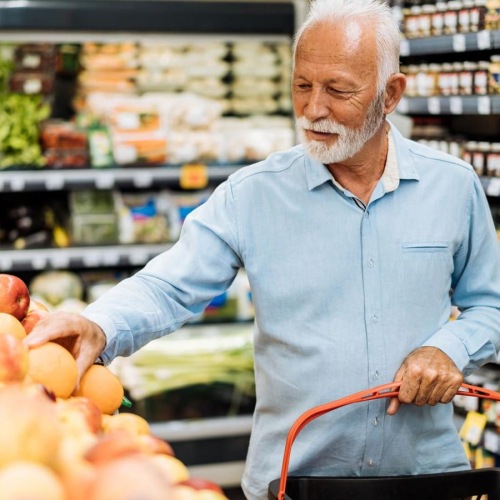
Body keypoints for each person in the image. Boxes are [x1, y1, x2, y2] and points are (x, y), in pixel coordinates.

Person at [26, 0, 500, 498]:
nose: (313, 109)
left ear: (390, 94)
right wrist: (99, 324)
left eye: (338, 90)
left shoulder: (452, 186)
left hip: (426, 479)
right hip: (293, 480)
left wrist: (450, 348)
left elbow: (489, 304)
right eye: (301, 85)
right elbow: (168, 286)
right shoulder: (253, 193)